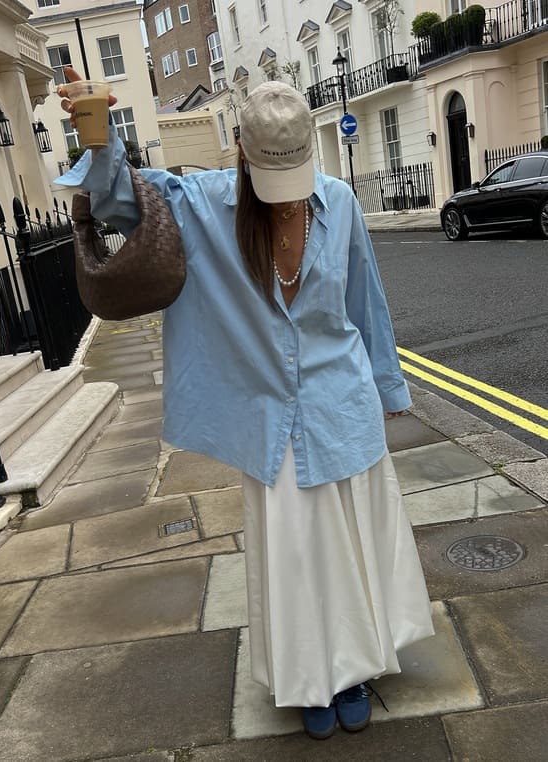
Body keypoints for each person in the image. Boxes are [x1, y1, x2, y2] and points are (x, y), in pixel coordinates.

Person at [57, 69, 434, 740]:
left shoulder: (339, 201)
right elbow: (118, 203)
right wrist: (94, 126)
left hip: (339, 403)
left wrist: (387, 386)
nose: (287, 198)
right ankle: (310, 678)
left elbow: (362, 302)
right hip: (269, 416)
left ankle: (353, 670)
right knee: (295, 558)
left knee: (352, 547)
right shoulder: (202, 204)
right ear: (242, 148)